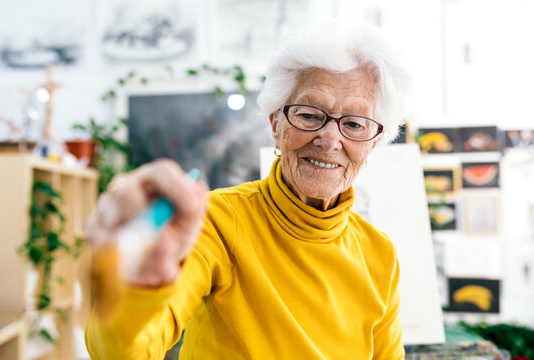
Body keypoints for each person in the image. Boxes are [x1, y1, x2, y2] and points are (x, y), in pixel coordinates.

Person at [85, 20, 410, 359]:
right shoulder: (216, 221)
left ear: (373, 144)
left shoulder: (379, 254)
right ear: (275, 124)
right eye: (311, 115)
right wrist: (136, 289)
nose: (330, 140)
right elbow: (124, 351)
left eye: (355, 123)